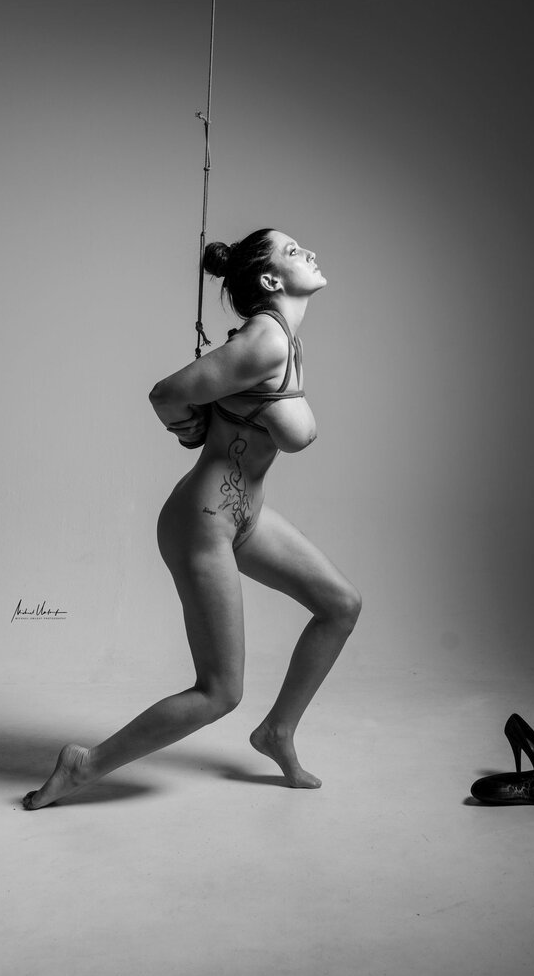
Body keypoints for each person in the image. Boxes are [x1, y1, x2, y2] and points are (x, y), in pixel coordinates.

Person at [23, 228, 362, 808]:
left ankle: (276, 732)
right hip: (203, 522)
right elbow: (165, 394)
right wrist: (191, 429)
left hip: (244, 515)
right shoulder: (265, 341)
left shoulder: (283, 338)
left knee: (340, 606)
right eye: (290, 250)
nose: (307, 251)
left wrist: (210, 415)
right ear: (270, 279)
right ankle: (85, 764)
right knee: (220, 692)